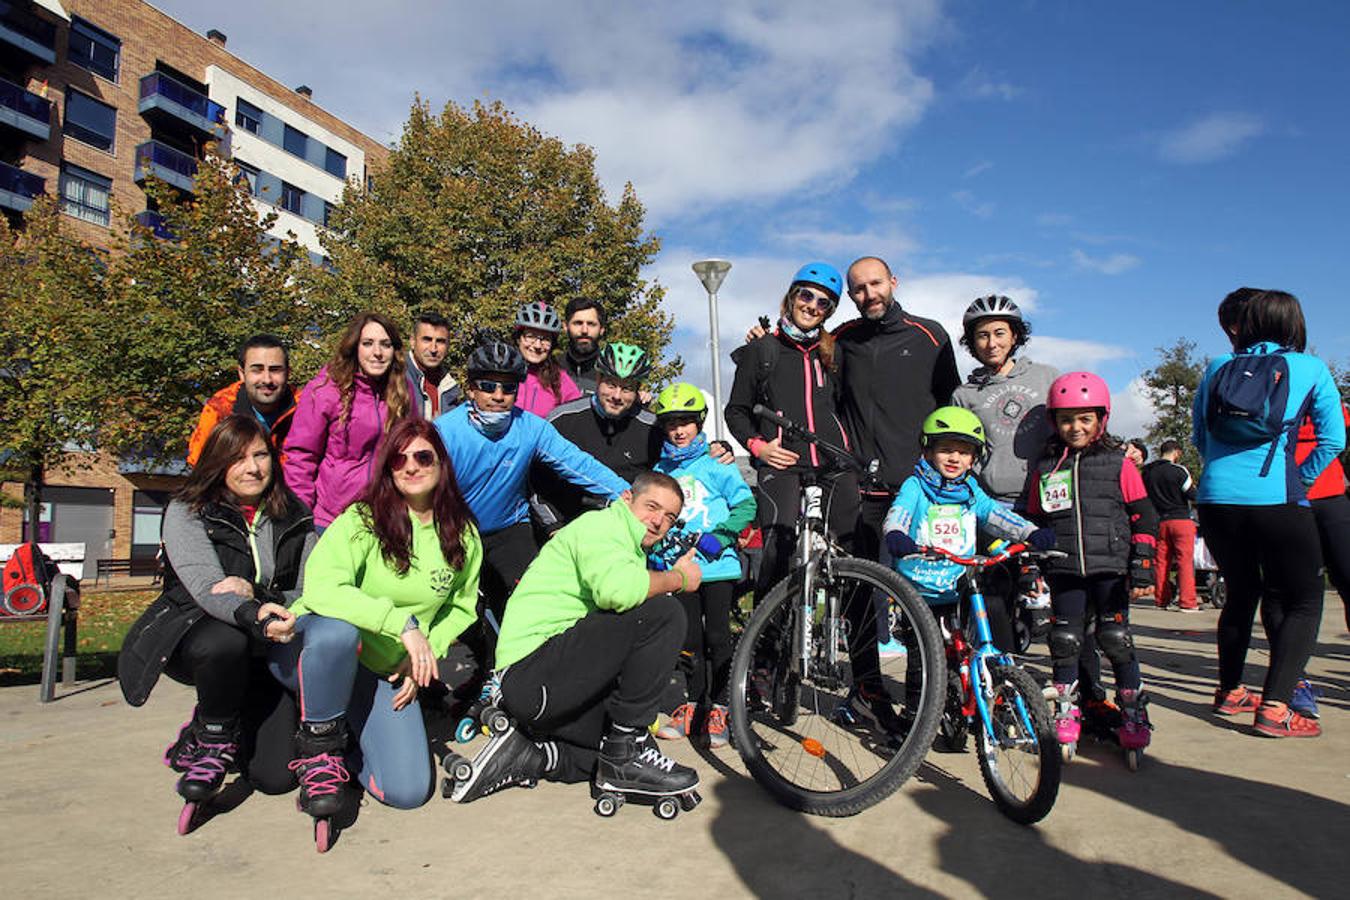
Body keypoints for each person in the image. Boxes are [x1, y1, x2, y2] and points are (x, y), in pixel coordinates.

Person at [448, 471, 702, 804]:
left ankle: (538, 756)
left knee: (621, 738)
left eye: (669, 517)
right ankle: (626, 754)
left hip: (546, 689)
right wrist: (679, 578)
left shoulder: (628, 546)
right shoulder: (601, 527)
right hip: (533, 672)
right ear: (627, 499)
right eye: (651, 507)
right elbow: (618, 592)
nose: (658, 521)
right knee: (664, 613)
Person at [270, 417, 481, 814]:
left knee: (408, 791)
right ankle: (317, 747)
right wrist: (402, 624)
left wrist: (422, 654)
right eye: (398, 460)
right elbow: (322, 589)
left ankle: (347, 743)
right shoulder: (362, 520)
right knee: (338, 634)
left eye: (423, 456)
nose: (411, 467)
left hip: (382, 669)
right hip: (318, 653)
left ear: (441, 465)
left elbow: (461, 606)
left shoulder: (463, 534)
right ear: (387, 469)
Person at [725, 262, 896, 728]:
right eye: (806, 296)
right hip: (783, 465)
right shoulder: (761, 351)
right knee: (777, 555)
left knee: (856, 567)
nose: (813, 306)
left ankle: (865, 680)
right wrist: (758, 446)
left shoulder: (833, 353)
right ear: (790, 296)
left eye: (824, 302)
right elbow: (736, 411)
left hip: (835, 466)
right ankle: (763, 665)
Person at [119, 415, 315, 806]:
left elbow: (307, 589)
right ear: (216, 463)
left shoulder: (294, 514)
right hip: (197, 635)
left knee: (275, 777)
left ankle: (222, 723)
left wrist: (256, 594)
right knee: (224, 641)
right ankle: (213, 735)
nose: (253, 467)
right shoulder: (188, 510)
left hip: (267, 647)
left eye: (261, 455)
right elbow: (207, 587)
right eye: (237, 458)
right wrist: (256, 613)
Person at [1195, 288, 1344, 738]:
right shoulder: (1310, 368)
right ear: (1294, 324)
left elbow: (1200, 437)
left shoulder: (1218, 367)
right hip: (1277, 498)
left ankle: (1230, 692)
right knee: (1301, 599)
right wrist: (1299, 479)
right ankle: (1277, 707)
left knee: (1241, 592)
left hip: (1216, 500)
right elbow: (1333, 440)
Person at [434, 341, 628, 659]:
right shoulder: (443, 432)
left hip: (509, 528)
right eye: (488, 386)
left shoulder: (531, 428)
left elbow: (578, 465)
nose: (498, 395)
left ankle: (523, 676)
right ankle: (479, 670)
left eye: (508, 388)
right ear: (470, 389)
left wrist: (629, 496)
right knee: (462, 615)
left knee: (533, 600)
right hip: (454, 532)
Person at [884, 407, 1054, 711]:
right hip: (918, 589)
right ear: (929, 450)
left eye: (964, 453)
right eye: (946, 450)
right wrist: (896, 534)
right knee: (921, 660)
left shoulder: (970, 489)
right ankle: (914, 717)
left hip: (958, 583)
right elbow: (899, 513)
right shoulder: (916, 485)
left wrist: (1029, 531)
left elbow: (994, 514)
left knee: (962, 651)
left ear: (974, 458)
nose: (954, 459)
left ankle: (973, 702)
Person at [1024, 372, 1159, 757]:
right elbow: (1036, 521)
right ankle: (1067, 710)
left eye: (1085, 418)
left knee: (1116, 641)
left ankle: (1131, 709)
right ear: (1055, 422)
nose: (1075, 427)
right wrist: (1033, 566)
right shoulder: (1046, 467)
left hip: (1110, 569)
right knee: (1065, 642)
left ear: (1102, 419)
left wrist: (1143, 564)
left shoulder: (1120, 464)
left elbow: (1144, 516)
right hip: (1064, 568)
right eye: (1067, 419)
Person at [650, 384, 756, 749]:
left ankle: (721, 708)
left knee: (717, 638)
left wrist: (722, 536)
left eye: (686, 423)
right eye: (671, 424)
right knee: (688, 639)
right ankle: (692, 705)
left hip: (717, 566)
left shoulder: (716, 464)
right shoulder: (660, 469)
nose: (679, 431)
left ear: (699, 423)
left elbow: (746, 506)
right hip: (679, 569)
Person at [283, 312, 410, 531]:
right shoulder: (325, 391)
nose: (377, 353)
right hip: (331, 519)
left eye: (385, 345)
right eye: (368, 344)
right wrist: (300, 518)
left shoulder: (401, 392)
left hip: (382, 517)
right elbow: (301, 457)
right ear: (355, 347)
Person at [531, 342, 663, 531]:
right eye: (611, 384)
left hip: (626, 534)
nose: (617, 395)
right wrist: (553, 527)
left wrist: (719, 449)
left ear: (638, 389)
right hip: (568, 530)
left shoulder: (653, 428)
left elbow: (680, 466)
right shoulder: (562, 419)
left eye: (627, 389)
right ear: (598, 378)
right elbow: (536, 484)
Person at [951, 296, 1059, 505]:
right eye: (983, 335)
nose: (992, 343)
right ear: (972, 342)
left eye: (999, 333)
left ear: (1014, 336)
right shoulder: (964, 395)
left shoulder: (1047, 376)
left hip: (1048, 499)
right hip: (994, 504)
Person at [187, 334, 300, 467]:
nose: (267, 379)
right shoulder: (221, 408)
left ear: (288, 373)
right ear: (242, 373)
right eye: (257, 370)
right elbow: (199, 464)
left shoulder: (307, 409)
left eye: (275, 370)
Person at [1141, 439, 1199, 611]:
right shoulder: (1179, 470)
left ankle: (1161, 600)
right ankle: (1187, 602)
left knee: (1161, 562)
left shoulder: (1148, 472)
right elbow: (1192, 494)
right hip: (1181, 519)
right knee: (1184, 561)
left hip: (1159, 521)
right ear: (1177, 452)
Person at [514, 301, 582, 418]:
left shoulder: (559, 379)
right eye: (530, 336)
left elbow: (578, 415)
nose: (537, 345)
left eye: (545, 339)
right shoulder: (502, 370)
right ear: (518, 338)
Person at [405, 311, 462, 419]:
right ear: (412, 341)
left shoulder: (449, 385)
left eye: (440, 341)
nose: (433, 349)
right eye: (427, 340)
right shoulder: (395, 377)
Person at [560, 298, 607, 396]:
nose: (584, 330)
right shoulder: (552, 368)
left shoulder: (610, 371)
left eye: (591, 324)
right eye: (578, 323)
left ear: (601, 329)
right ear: (565, 326)